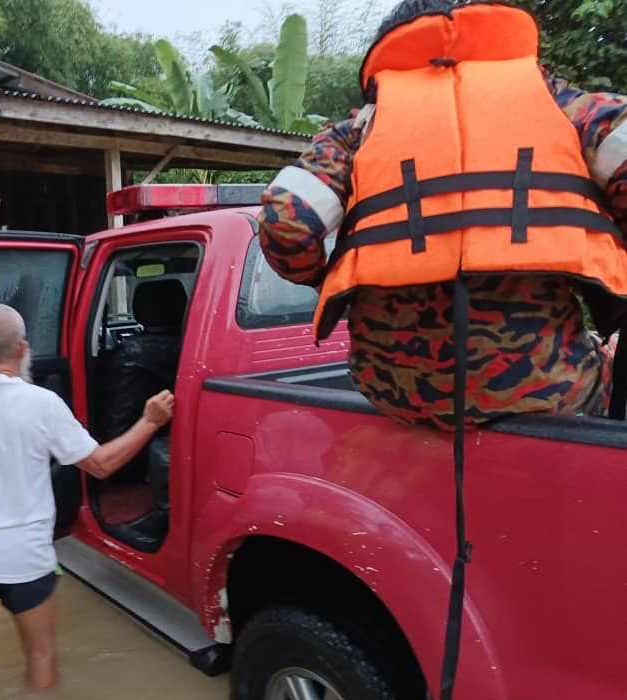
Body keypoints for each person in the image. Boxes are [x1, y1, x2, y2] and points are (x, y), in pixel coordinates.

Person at [259, 0, 627, 430]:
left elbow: (287, 221)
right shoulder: (558, 103)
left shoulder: (359, 130)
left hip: (395, 392)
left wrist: (335, 272)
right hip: (545, 390)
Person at [0, 304, 174, 700]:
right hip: (27, 556)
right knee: (41, 656)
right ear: (23, 348)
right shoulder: (44, 403)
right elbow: (101, 464)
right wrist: (150, 421)